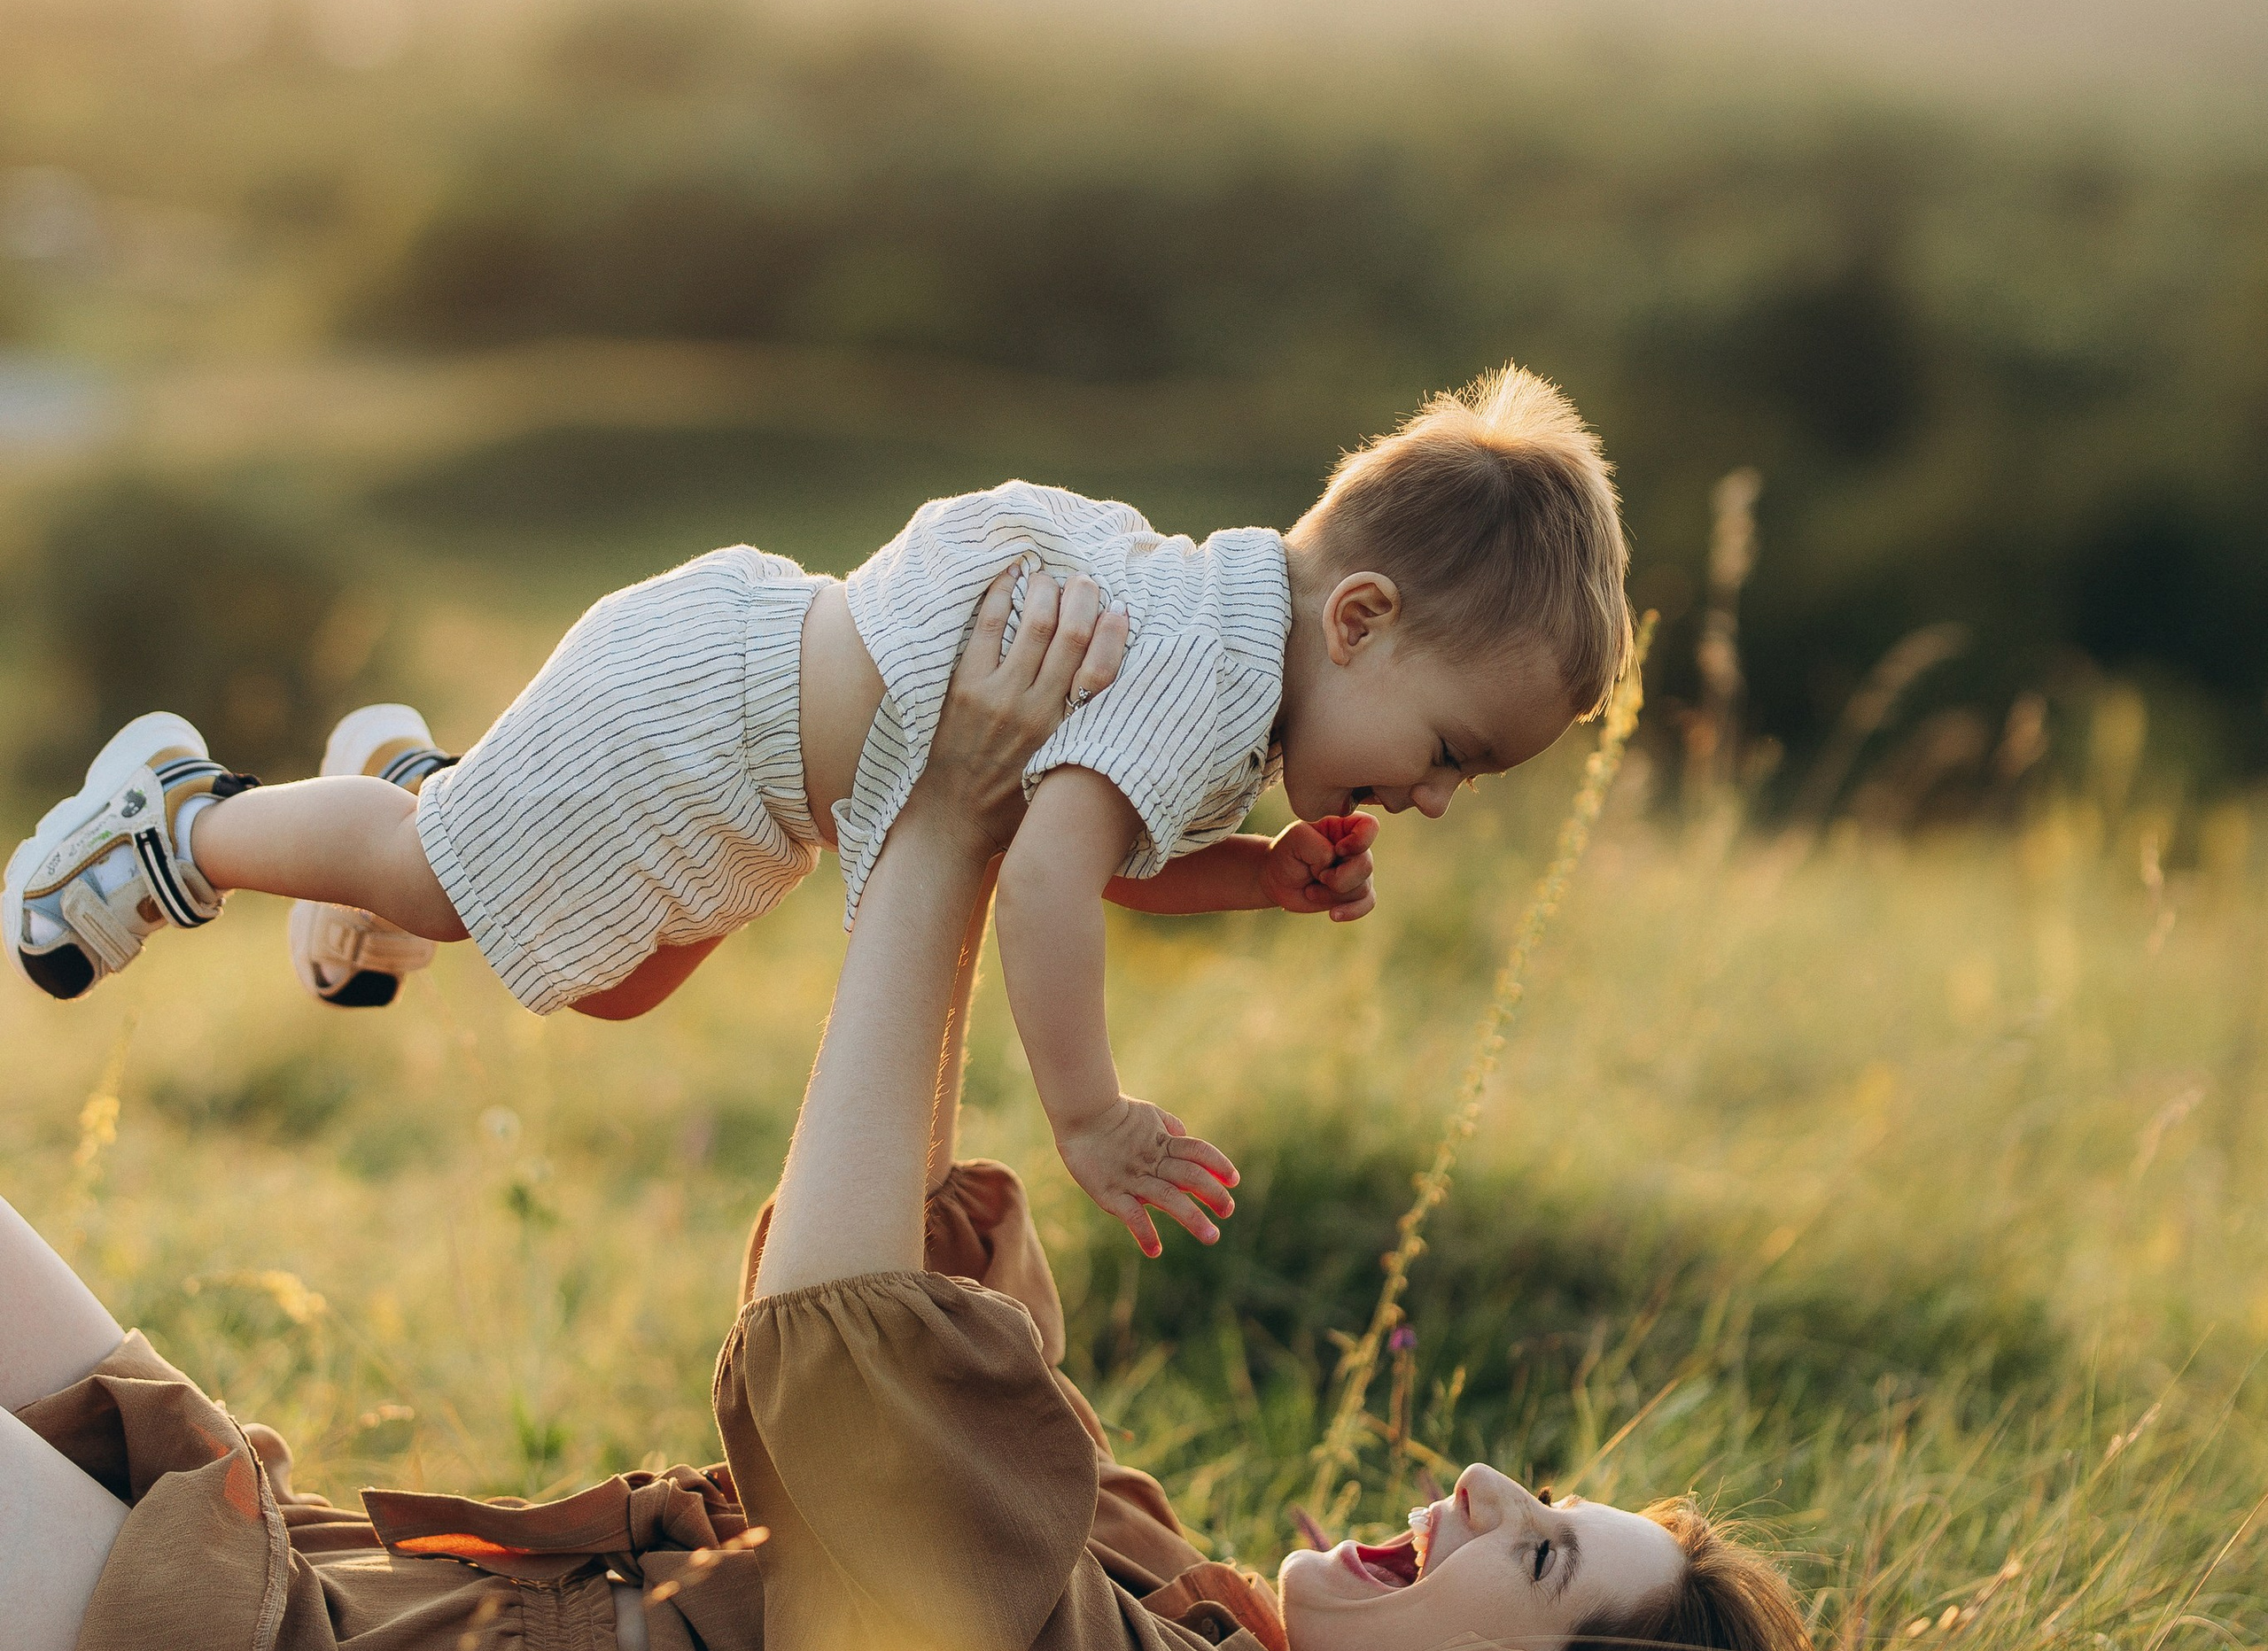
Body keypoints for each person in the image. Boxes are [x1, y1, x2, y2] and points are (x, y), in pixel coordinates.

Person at [1, 570, 1842, 1651]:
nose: (1477, 1490)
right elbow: (940, 1379)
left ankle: (294, 826)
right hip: (316, 1596)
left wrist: (948, 830)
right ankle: (410, 820)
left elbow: (835, 1352)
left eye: (1530, 1554)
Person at [6, 368, 1631, 1256]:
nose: (1431, 798)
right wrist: (1087, 1113)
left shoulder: (1228, 663)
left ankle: (404, 794)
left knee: (615, 975)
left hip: (748, 763)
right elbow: (1049, 885)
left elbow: (1087, 847)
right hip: (704, 715)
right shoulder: (1211, 671)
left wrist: (1253, 884)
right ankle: (173, 824)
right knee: (443, 886)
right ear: (1358, 622)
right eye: (1454, 750)